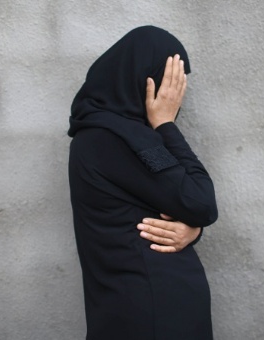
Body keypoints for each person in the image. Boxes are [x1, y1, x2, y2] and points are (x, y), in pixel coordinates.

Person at [67, 26, 218, 340]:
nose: (175, 99)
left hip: (137, 307)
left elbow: (171, 202)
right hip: (152, 313)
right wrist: (164, 124)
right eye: (168, 85)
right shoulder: (118, 137)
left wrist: (193, 229)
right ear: (143, 80)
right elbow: (201, 203)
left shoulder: (101, 133)